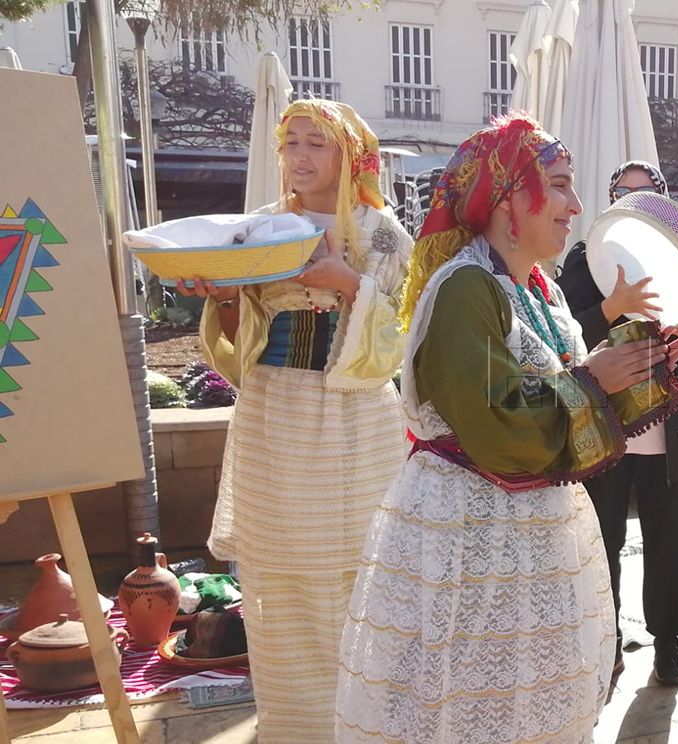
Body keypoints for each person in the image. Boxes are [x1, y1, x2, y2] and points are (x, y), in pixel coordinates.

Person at [335, 117, 678, 743]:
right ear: (504, 199)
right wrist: (596, 381)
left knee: (531, 702)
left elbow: (564, 397)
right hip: (470, 531)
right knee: (472, 700)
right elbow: (496, 430)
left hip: (533, 531)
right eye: (558, 185)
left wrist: (639, 362)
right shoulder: (468, 289)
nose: (577, 206)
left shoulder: (539, 288)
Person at [176, 100, 413, 741]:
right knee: (276, 572)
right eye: (292, 143)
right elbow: (237, 343)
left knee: (362, 568)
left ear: (350, 155)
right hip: (273, 412)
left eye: (318, 143)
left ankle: (365, 722)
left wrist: (350, 284)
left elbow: (402, 336)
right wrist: (223, 298)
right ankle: (292, 725)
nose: (300, 156)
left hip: (355, 417)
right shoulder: (257, 229)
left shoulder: (382, 233)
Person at [557, 159, 678, 686]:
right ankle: (606, 645)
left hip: (673, 430)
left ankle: (668, 640)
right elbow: (565, 338)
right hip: (607, 428)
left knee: (671, 540)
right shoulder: (586, 258)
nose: (635, 199)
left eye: (646, 191)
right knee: (601, 543)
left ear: (662, 200)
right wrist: (614, 306)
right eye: (624, 192)